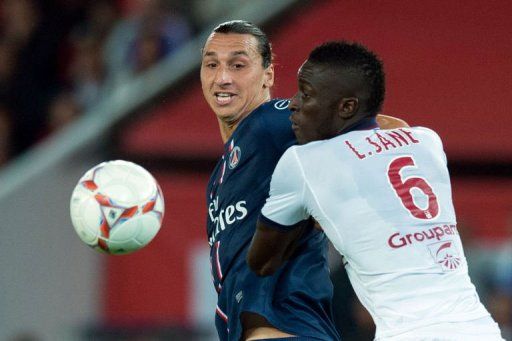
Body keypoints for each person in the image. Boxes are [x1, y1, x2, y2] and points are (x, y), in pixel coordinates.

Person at [247, 41, 505, 340]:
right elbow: (384, 133)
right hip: (479, 329)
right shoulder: (428, 141)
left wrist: (316, 218)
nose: (293, 103)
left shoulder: (303, 163)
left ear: (346, 107)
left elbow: (262, 262)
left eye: (306, 94)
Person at [201, 21, 407, 341]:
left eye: (238, 65)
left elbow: (394, 130)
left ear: (268, 75)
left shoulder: (272, 121)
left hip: (286, 329)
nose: (222, 77)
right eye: (211, 64)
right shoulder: (221, 174)